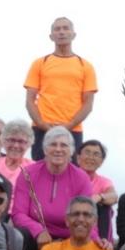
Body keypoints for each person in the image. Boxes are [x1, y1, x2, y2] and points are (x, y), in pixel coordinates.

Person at [10, 126, 98, 250]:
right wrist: (39, 231)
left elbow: (86, 215)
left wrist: (97, 240)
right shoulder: (28, 173)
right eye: (53, 144)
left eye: (63, 145)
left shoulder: (81, 178)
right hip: (34, 234)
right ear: (45, 149)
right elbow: (18, 214)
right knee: (17, 235)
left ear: (71, 151)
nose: (58, 149)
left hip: (69, 236)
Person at [24, 18, 98, 159]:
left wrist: (68, 125)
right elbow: (29, 100)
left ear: (73, 34)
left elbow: (88, 104)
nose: (61, 32)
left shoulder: (85, 66)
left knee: (71, 174)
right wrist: (42, 124)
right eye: (57, 29)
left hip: (73, 129)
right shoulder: (39, 63)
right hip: (41, 129)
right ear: (51, 36)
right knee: (39, 172)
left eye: (65, 28)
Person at [76, 139, 118, 243]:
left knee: (104, 206)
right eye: (87, 152)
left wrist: (100, 197)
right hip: (72, 222)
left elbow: (114, 196)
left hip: (96, 226)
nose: (91, 157)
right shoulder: (69, 176)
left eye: (96, 154)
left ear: (101, 161)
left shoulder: (104, 181)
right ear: (78, 157)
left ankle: (105, 243)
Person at [0, 119, 34, 194]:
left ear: (29, 144)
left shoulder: (35, 168)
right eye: (11, 140)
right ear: (3, 141)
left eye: (21, 141)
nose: (15, 145)